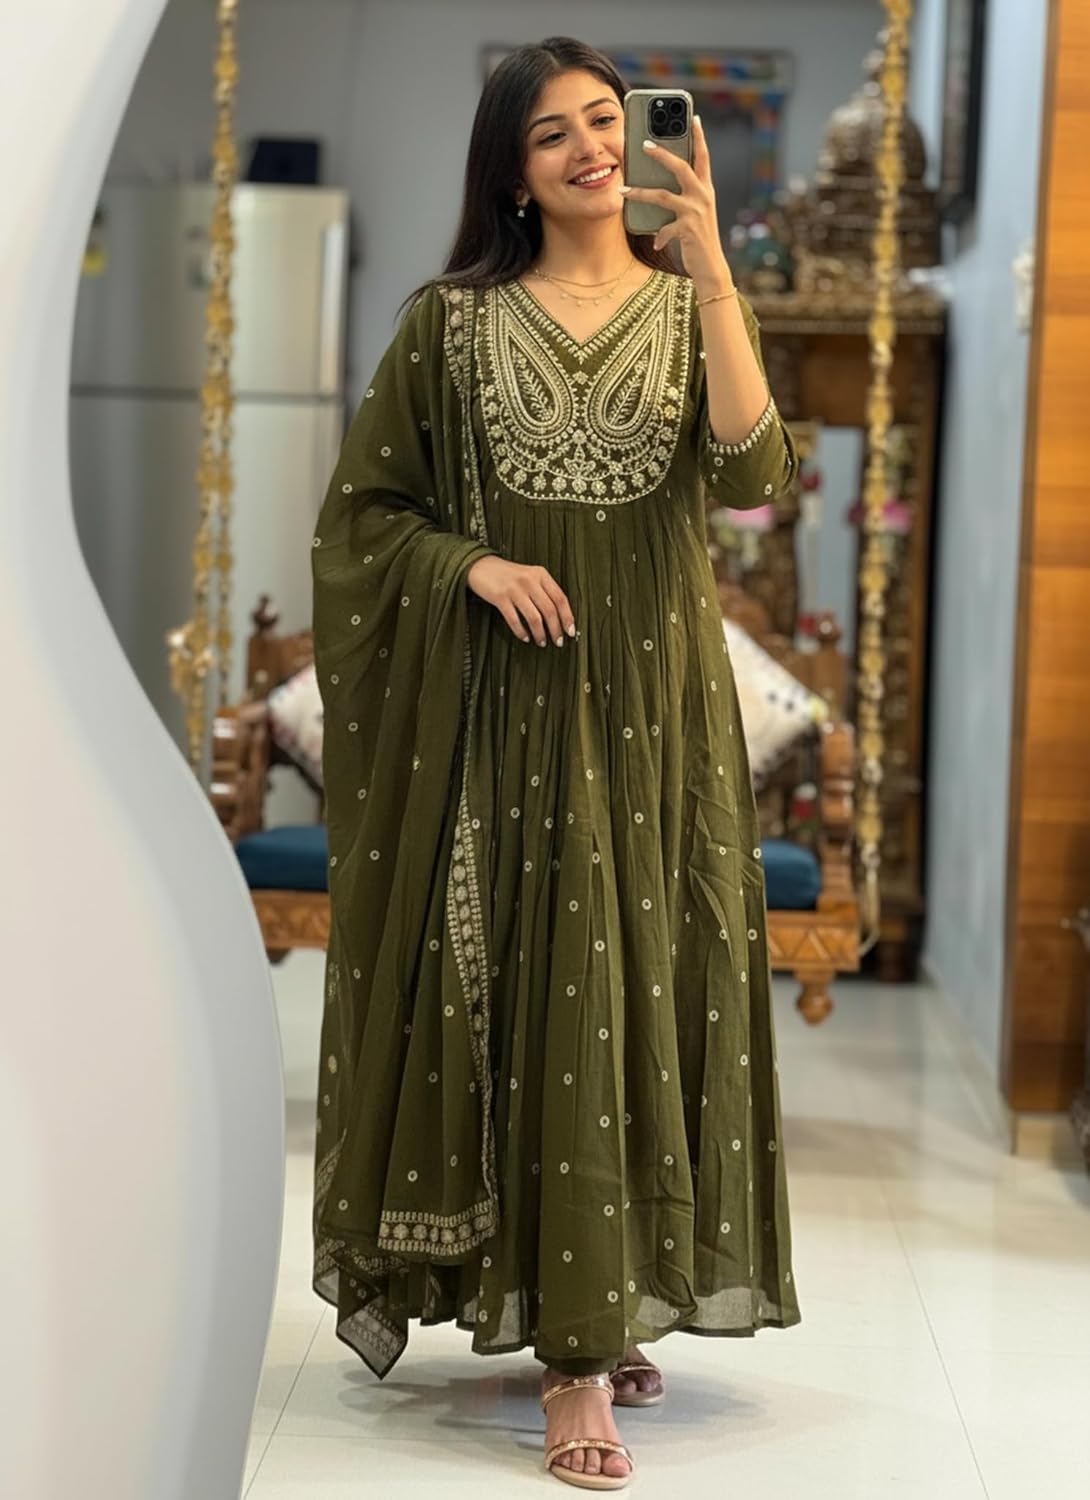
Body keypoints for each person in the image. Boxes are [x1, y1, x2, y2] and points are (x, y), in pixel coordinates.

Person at [310, 35, 801, 1492]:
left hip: (659, 716)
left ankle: (607, 1298)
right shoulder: (450, 326)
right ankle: (573, 1359)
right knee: (546, 990)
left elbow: (752, 475)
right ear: (511, 173)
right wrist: (468, 565)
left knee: (645, 986)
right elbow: (364, 519)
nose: (591, 147)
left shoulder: (688, 304)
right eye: (552, 134)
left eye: (605, 120)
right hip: (504, 720)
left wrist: (713, 270)